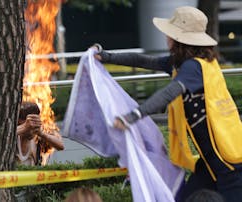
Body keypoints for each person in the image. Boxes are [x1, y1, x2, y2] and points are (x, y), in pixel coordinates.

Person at [93, 6, 242, 202]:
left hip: (231, 163)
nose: (166, 37)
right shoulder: (187, 63)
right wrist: (106, 56)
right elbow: (145, 60)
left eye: (169, 34)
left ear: (178, 39)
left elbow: (169, 92)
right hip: (213, 161)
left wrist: (133, 116)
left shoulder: (193, 67)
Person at [16, 101, 64, 166]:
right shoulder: (13, 136)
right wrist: (24, 128)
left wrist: (42, 134)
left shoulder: (38, 138)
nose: (31, 131)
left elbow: (61, 146)